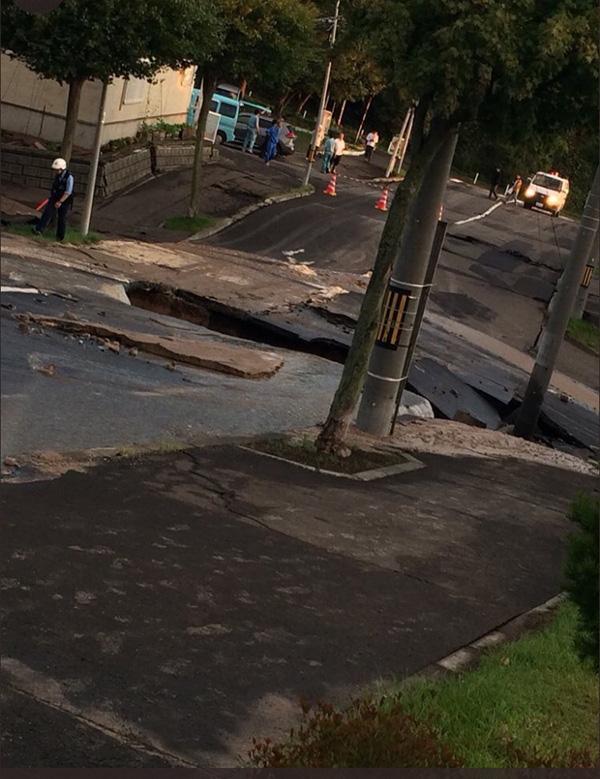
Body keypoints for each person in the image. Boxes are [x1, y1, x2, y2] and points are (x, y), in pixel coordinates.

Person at [34, 158, 74, 241]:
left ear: (62, 169)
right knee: (47, 212)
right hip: (55, 197)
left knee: (62, 218)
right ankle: (38, 230)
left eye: (57, 170)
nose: (56, 171)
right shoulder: (57, 176)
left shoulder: (69, 177)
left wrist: (60, 202)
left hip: (65, 200)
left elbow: (68, 192)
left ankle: (60, 237)